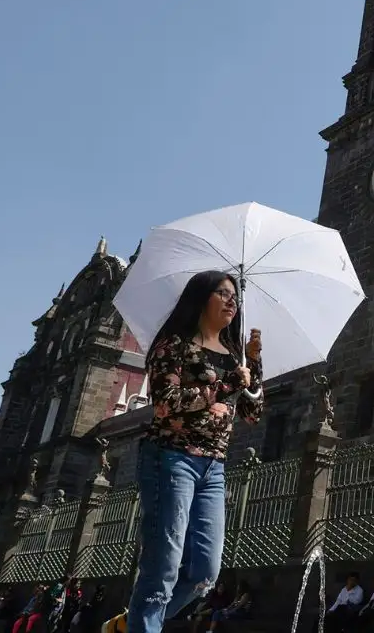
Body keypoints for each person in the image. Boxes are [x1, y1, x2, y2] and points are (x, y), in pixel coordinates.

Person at [118, 271, 265, 633]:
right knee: (164, 563)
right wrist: (229, 383)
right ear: (201, 298)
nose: (232, 301)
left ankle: (134, 623)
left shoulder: (233, 355)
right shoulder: (174, 345)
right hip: (171, 457)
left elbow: (251, 414)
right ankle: (143, 625)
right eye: (223, 293)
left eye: (235, 296)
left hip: (213, 466)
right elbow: (166, 405)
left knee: (205, 573)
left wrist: (253, 363)